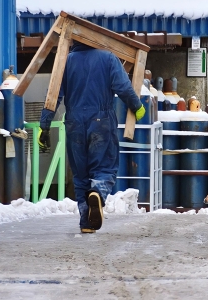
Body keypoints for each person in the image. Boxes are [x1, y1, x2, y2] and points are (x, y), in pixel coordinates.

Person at [38, 41, 146, 233]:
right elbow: (123, 86)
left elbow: (53, 94)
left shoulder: (66, 61)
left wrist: (44, 126)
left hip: (74, 123)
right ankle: (98, 193)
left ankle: (86, 222)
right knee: (104, 167)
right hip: (101, 120)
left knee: (80, 175)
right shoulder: (108, 58)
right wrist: (137, 106)